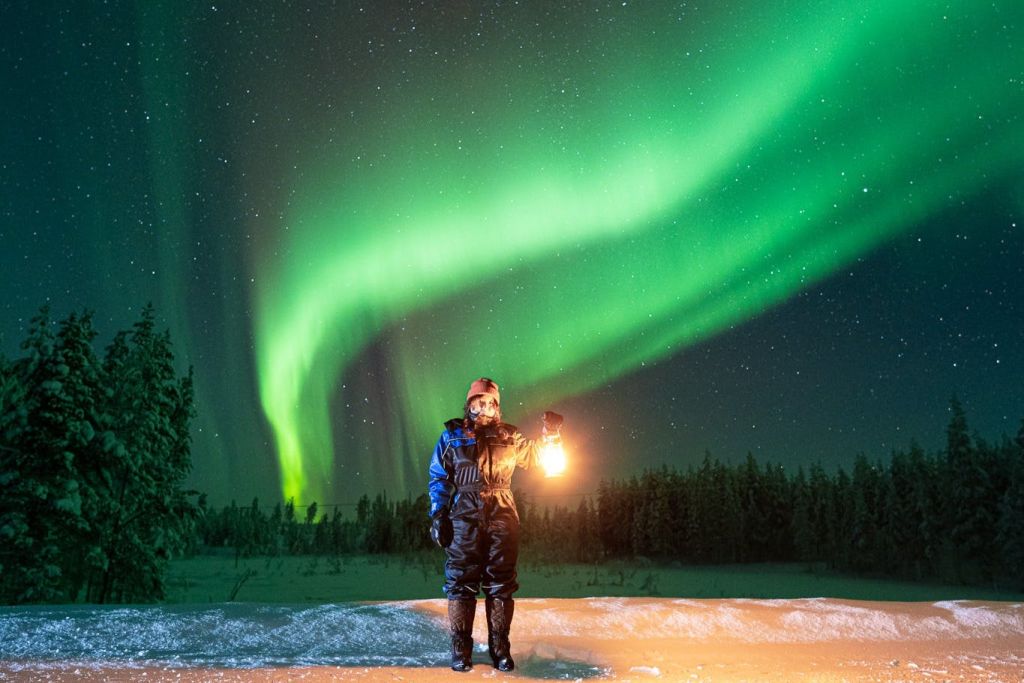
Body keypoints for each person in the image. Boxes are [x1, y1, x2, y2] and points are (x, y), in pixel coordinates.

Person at [427, 377, 562, 672]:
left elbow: (541, 458)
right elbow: (438, 478)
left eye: (490, 402)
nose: (484, 407)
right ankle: (461, 650)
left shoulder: (509, 437)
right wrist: (438, 514)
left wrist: (551, 434)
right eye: (479, 401)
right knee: (461, 583)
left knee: (500, 585)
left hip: (501, 516)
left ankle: (500, 648)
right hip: (463, 517)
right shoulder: (452, 437)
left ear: (497, 407)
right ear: (470, 403)